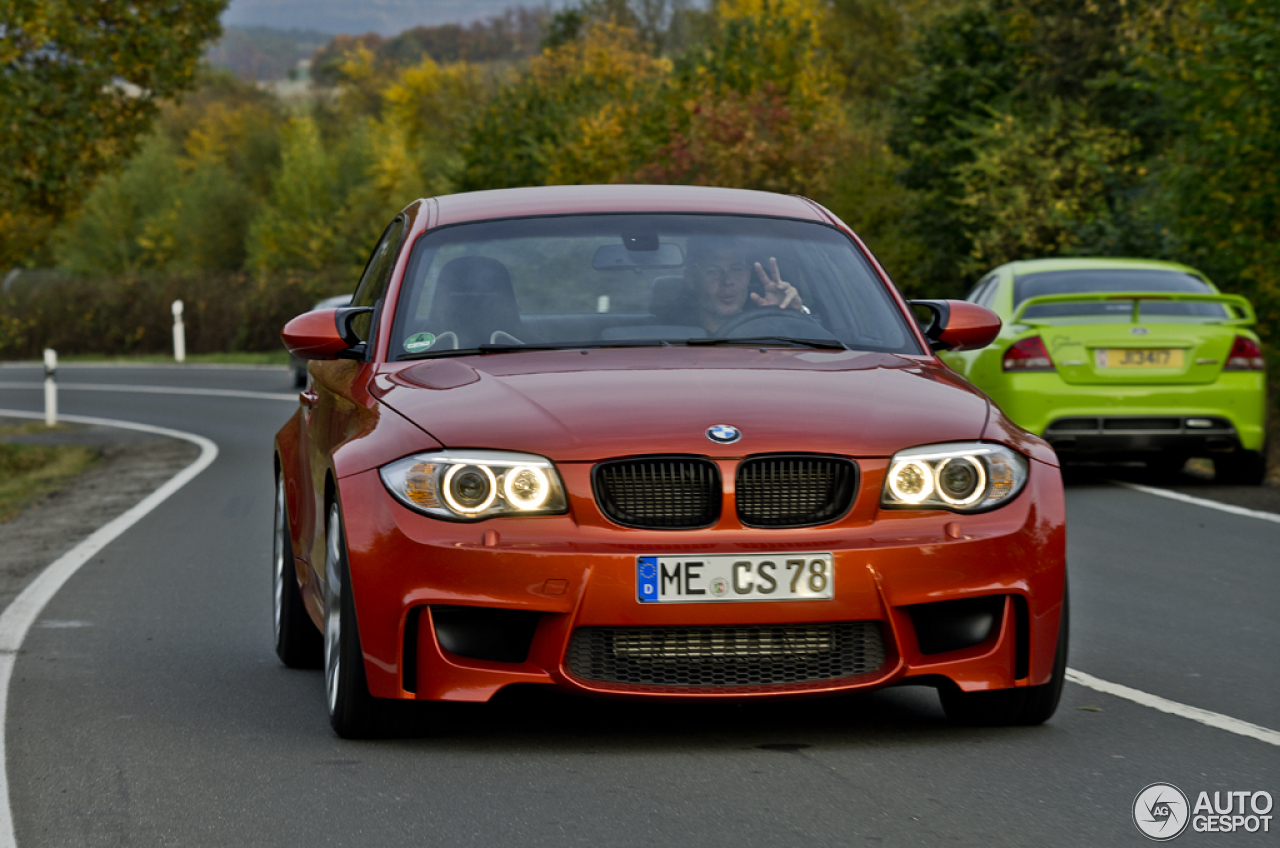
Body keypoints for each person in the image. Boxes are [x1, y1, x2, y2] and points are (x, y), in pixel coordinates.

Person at [684, 236, 807, 334]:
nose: (727, 281)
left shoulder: (768, 334)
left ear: (748, 275)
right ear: (691, 279)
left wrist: (786, 316)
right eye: (713, 271)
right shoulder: (671, 335)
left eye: (736, 269)